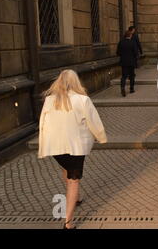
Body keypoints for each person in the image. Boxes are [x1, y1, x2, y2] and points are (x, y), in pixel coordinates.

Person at [38, 70, 107, 229]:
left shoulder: (49, 100)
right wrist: (101, 137)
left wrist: (44, 144)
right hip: (75, 147)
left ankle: (75, 198)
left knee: (66, 169)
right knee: (73, 180)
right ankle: (68, 223)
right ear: (76, 82)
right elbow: (94, 121)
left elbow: (43, 123)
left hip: (55, 146)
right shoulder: (83, 100)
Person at [117, 30, 139, 97]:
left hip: (123, 62)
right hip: (131, 62)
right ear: (130, 35)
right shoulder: (133, 43)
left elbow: (118, 52)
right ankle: (131, 89)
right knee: (132, 76)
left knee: (124, 76)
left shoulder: (121, 42)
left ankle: (122, 87)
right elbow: (135, 53)